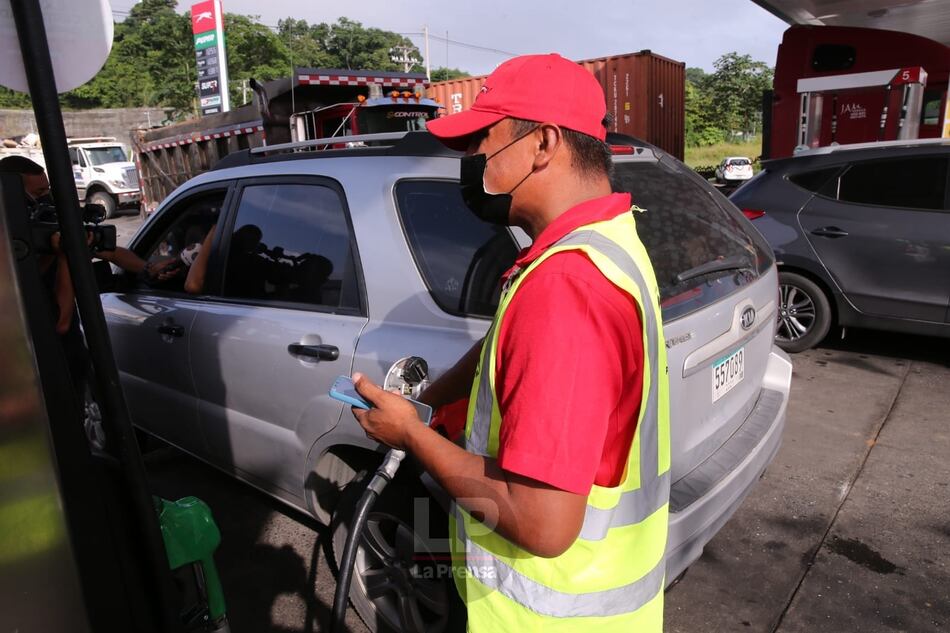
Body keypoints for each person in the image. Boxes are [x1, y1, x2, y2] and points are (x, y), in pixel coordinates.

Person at [349, 54, 671, 632]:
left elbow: (542, 525)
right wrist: (429, 401)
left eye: (482, 140)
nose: (471, 162)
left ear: (543, 143)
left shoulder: (565, 286)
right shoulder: (606, 242)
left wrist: (411, 435)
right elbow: (508, 347)